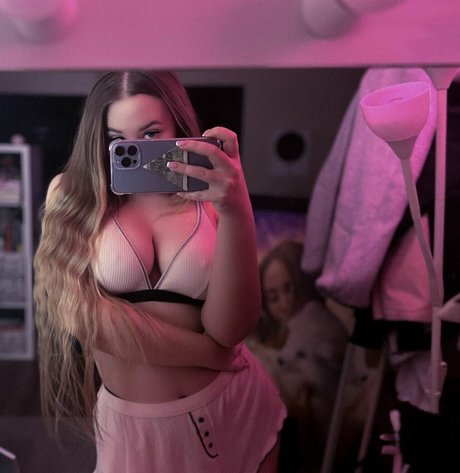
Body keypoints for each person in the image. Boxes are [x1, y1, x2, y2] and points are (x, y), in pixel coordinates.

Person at [33, 70, 286, 473]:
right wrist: (208, 354)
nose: (134, 149)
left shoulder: (209, 195)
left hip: (233, 405)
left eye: (151, 134)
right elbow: (84, 317)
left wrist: (236, 210)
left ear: (178, 130)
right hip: (137, 430)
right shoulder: (72, 194)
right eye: (116, 139)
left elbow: (229, 331)